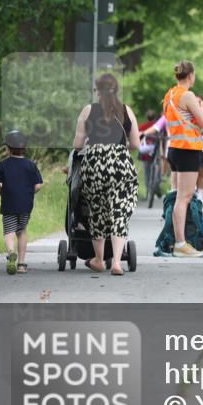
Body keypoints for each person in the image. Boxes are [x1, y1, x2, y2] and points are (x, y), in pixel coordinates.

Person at [72, 73, 141, 274]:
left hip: (94, 164)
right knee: (119, 212)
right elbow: (136, 144)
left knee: (97, 211)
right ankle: (117, 263)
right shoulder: (127, 111)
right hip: (120, 164)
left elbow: (77, 145)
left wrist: (90, 145)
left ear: (97, 91)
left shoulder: (88, 110)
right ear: (116, 90)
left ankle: (99, 260)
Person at [163, 60, 203, 257]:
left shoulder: (170, 94)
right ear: (191, 76)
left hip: (175, 149)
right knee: (184, 197)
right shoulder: (187, 95)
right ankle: (180, 243)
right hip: (187, 150)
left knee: (179, 195)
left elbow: (184, 121)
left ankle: (177, 240)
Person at [0, 130, 43, 274]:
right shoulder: (30, 165)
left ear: (8, 148)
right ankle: (21, 264)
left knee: (9, 231)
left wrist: (2, 193)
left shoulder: (3, 164)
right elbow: (38, 185)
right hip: (25, 204)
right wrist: (29, 194)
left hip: (8, 203)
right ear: (24, 148)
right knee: (21, 231)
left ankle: (11, 252)